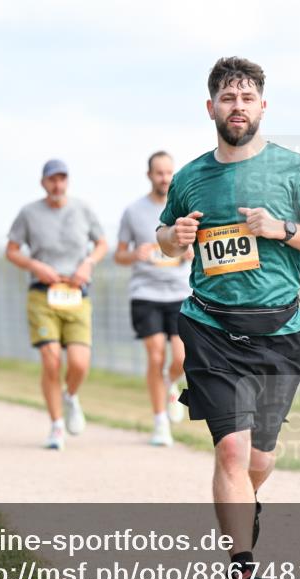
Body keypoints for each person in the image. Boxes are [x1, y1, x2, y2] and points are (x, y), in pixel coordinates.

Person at [156, 57, 300, 579]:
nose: (237, 107)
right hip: (210, 326)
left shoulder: (294, 170)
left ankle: (241, 504)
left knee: (259, 459)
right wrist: (176, 236)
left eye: (247, 98)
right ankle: (242, 568)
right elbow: (163, 237)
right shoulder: (190, 177)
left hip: (281, 331)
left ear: (263, 106)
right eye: (227, 98)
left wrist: (281, 228)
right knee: (232, 454)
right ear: (210, 107)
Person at [6, 159, 107, 450]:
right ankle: (56, 426)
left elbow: (102, 243)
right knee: (51, 358)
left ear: (68, 181)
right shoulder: (28, 213)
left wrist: (88, 263)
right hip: (43, 293)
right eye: (52, 179)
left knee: (79, 363)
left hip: (76, 292)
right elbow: (11, 250)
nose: (57, 185)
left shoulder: (83, 209)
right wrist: (35, 265)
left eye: (62, 179)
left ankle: (70, 396)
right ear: (43, 183)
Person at [115, 151, 192, 447]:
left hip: (179, 292)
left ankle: (171, 383)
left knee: (182, 358)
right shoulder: (133, 212)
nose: (165, 178)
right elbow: (118, 255)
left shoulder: (184, 210)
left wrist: (190, 252)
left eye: (169, 173)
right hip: (145, 293)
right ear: (149, 175)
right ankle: (160, 422)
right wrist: (135, 254)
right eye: (159, 173)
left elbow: (200, 247)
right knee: (156, 355)